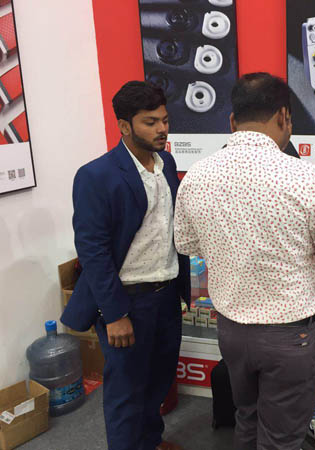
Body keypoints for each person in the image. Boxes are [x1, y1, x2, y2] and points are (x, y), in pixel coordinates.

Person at [174, 72, 315, 450]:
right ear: (284, 117)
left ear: (232, 121)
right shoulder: (305, 177)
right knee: (282, 436)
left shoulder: (196, 176)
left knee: (247, 418)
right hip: (288, 336)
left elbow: (187, 244)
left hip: (231, 330)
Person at [60, 81, 190, 450]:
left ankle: (150, 442)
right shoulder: (96, 175)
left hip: (167, 295)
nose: (162, 129)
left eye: (164, 120)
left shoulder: (167, 164)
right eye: (150, 122)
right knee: (126, 393)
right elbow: (93, 250)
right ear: (124, 126)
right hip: (128, 300)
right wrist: (115, 313)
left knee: (158, 382)